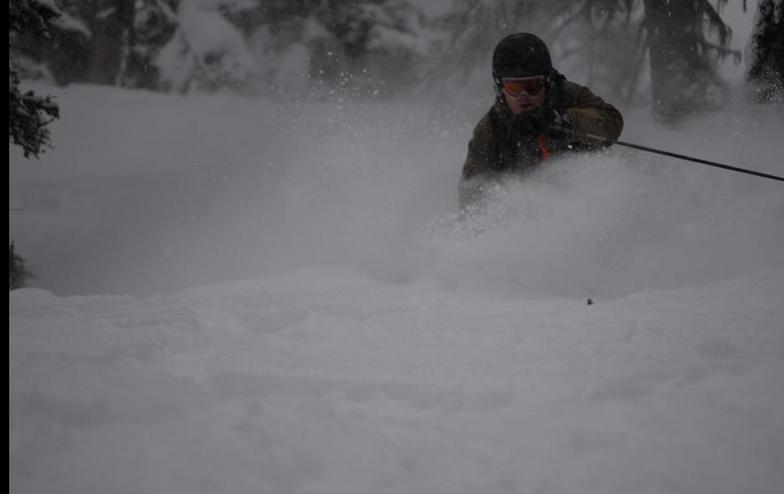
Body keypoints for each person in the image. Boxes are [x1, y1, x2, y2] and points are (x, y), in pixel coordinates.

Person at [459, 33, 624, 213]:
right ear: (500, 87)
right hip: (529, 220)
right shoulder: (492, 128)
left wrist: (567, 121)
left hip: (588, 203)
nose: (524, 97)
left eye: (532, 87)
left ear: (546, 81)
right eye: (513, 88)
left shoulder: (568, 96)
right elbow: (471, 192)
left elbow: (612, 124)